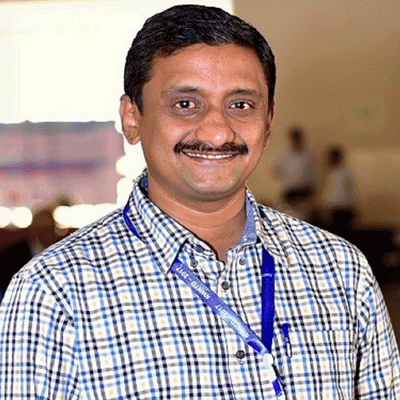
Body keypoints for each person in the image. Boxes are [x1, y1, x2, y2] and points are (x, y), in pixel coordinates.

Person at [0, 5, 399, 399]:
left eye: (241, 105)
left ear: (268, 120)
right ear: (132, 118)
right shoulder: (54, 293)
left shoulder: (340, 269)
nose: (218, 132)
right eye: (186, 104)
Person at [272, 126, 318, 221]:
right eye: (294, 138)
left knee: (304, 217)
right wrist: (287, 177)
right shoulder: (285, 154)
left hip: (305, 190)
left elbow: (314, 173)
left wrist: (313, 190)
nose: (296, 141)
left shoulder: (309, 154)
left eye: (298, 138)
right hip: (290, 190)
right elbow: (275, 169)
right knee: (290, 217)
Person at [320, 145, 357, 240]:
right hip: (335, 210)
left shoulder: (344, 173)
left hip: (342, 210)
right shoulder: (332, 173)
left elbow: (342, 194)